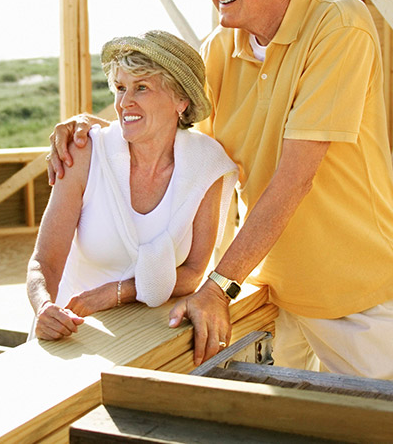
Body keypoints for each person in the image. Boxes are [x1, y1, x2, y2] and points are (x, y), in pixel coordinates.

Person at [48, 0, 393, 380]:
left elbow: (295, 177)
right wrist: (93, 129)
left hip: (353, 292)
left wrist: (218, 285)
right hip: (266, 284)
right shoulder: (221, 47)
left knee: (363, 431)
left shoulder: (338, 25)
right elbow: (168, 127)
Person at [27, 30, 238, 341]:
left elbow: (193, 273)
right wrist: (43, 307)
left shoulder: (206, 164)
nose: (124, 102)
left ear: (181, 100)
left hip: (153, 333)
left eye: (142, 88)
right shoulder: (84, 154)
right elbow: (43, 263)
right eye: (120, 87)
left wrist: (116, 293)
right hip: (74, 329)